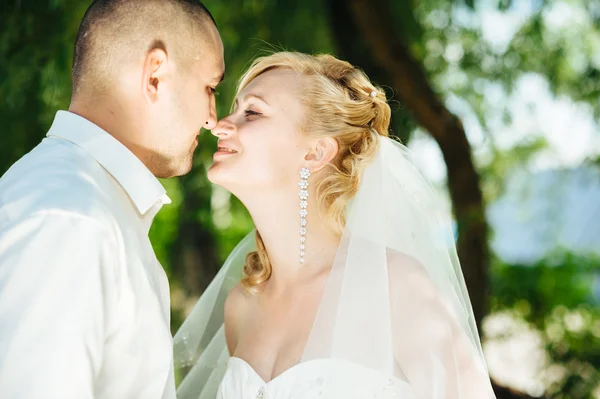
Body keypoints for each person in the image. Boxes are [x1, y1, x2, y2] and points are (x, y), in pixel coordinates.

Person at [174, 52, 497, 398]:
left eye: (252, 112)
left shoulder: (395, 286)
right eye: (235, 108)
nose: (220, 123)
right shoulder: (241, 307)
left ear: (315, 153)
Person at [0, 1, 224, 398]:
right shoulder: (72, 219)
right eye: (210, 87)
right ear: (155, 75)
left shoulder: (91, 206)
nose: (212, 117)